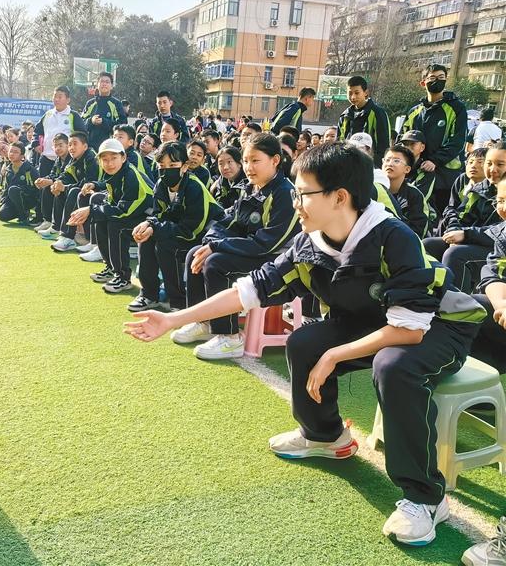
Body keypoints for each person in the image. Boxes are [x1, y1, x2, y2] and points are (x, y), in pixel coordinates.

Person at [125, 142, 486, 547]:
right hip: (374, 321)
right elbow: (250, 290)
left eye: (303, 193)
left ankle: (425, 497)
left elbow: (409, 331)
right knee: (303, 343)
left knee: (393, 366)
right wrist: (174, 318)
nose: (295, 202)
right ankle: (325, 436)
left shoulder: (392, 237)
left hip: (436, 327)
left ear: (339, 197)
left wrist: (335, 355)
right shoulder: (309, 242)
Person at [176, 133, 300, 360]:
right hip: (254, 250)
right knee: (196, 253)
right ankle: (204, 321)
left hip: (279, 260)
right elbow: (228, 220)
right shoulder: (251, 188)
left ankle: (230, 337)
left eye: (255, 160)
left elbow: (268, 242)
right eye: (245, 160)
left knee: (216, 263)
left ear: (275, 160)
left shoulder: (285, 193)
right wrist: (210, 242)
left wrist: (218, 247)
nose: (248, 167)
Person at [129, 141, 224, 311]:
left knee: (166, 245)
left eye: (172, 165)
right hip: (179, 229)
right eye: (161, 165)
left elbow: (191, 231)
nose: (166, 170)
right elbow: (159, 216)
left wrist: (156, 227)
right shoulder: (161, 185)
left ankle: (179, 302)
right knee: (147, 238)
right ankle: (149, 295)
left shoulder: (195, 187)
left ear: (185, 166)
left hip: (206, 236)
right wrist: (149, 224)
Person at [66, 138, 153, 292]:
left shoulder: (131, 176)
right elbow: (110, 183)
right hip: (134, 213)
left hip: (151, 219)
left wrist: (90, 210)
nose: (109, 163)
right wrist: (95, 184)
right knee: (102, 217)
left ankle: (122, 277)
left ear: (124, 157)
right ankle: (111, 267)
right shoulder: (118, 171)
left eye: (114, 158)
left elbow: (123, 212)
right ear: (100, 161)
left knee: (116, 225)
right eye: (105, 160)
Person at [423, 144, 504, 293]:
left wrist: (466, 236)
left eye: (500, 164)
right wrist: (456, 232)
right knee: (427, 245)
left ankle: (459, 309)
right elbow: (458, 213)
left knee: (456, 255)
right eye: (489, 163)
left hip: (497, 248)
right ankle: (429, 297)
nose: (493, 169)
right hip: (475, 239)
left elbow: (500, 233)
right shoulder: (479, 187)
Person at [401, 64, 467, 217]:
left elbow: (457, 141)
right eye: (432, 78)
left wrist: (435, 161)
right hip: (416, 173)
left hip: (445, 175)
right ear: (423, 82)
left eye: (441, 78)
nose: (437, 81)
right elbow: (402, 139)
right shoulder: (414, 112)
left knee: (442, 216)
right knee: (414, 213)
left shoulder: (456, 108)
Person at [470, 177, 506, 374]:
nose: (503, 207)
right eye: (500, 200)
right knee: (470, 307)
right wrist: (501, 305)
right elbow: (494, 274)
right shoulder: (503, 234)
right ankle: (484, 380)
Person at [48, 131, 100, 251]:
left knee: (75, 191)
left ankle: (68, 237)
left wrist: (65, 187)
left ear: (85, 146)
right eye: (70, 144)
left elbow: (88, 183)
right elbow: (65, 175)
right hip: (88, 192)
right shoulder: (74, 158)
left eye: (74, 144)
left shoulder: (91, 157)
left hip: (98, 191)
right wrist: (57, 184)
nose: (71, 148)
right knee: (59, 190)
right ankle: (57, 228)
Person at [337, 76, 392, 168]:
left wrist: (375, 166)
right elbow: (339, 143)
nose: (353, 97)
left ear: (366, 93)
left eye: (357, 93)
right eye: (350, 93)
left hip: (369, 165)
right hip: (347, 165)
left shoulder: (378, 113)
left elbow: (383, 144)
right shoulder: (345, 115)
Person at [381, 145, 430, 238]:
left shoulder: (415, 195)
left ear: (407, 169)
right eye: (387, 160)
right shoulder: (373, 189)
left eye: (396, 161)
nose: (390, 164)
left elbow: (418, 231)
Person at [34, 133, 71, 236]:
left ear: (68, 145)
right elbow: (52, 174)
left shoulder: (71, 158)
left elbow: (66, 177)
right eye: (55, 146)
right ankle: (48, 220)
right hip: (59, 184)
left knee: (52, 187)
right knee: (45, 186)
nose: (57, 148)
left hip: (69, 186)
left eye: (60, 145)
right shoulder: (58, 159)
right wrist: (43, 180)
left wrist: (51, 181)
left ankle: (56, 226)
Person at [81, 72, 127, 150]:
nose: (104, 84)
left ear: (111, 86)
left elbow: (123, 125)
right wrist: (91, 121)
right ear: (97, 85)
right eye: (102, 81)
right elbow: (81, 123)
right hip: (89, 147)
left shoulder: (116, 103)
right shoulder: (90, 103)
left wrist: (104, 122)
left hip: (109, 147)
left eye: (107, 82)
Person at [0, 142, 39, 224]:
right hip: (13, 200)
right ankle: (22, 212)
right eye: (11, 151)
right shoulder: (8, 170)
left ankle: (23, 217)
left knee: (13, 189)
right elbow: (6, 190)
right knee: (1, 215)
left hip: (28, 199)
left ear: (22, 156)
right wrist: (3, 205)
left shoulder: (30, 169)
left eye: (16, 152)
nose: (12, 154)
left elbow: (37, 189)